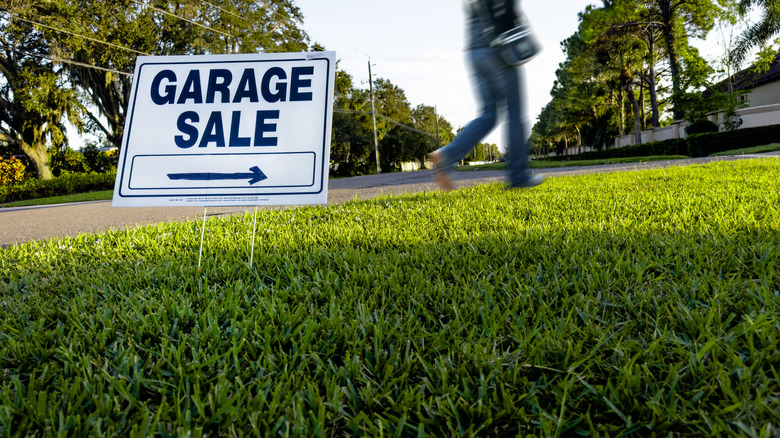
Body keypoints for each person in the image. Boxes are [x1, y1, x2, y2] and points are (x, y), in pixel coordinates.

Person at [430, 0, 544, 190]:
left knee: (489, 114)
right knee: (515, 112)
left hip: (474, 51)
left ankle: (448, 155)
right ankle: (518, 177)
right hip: (499, 47)